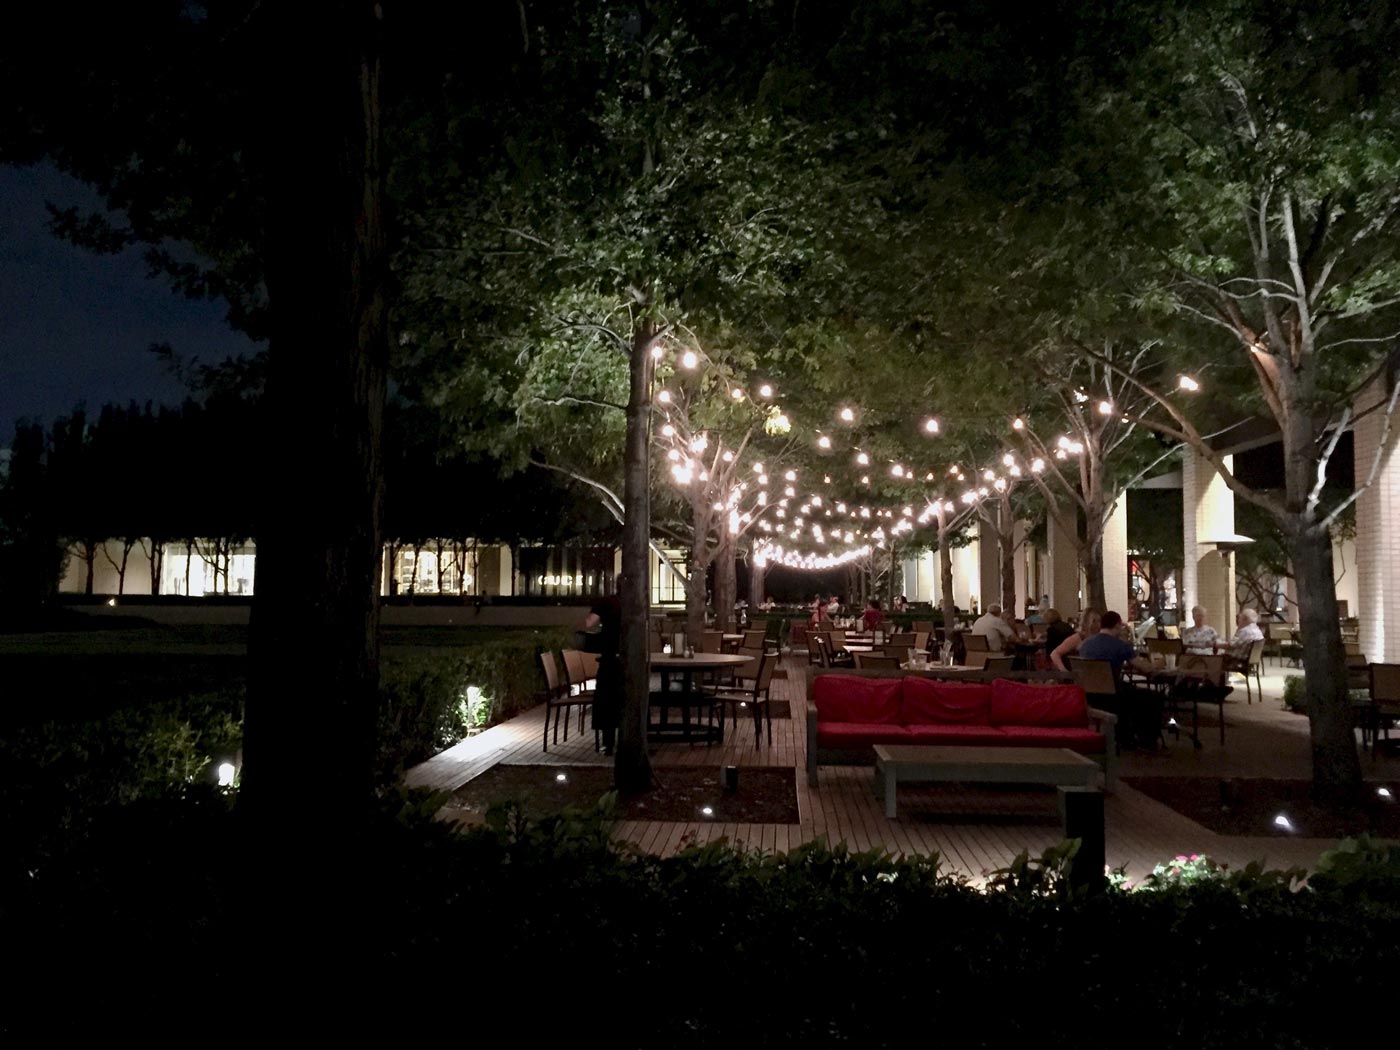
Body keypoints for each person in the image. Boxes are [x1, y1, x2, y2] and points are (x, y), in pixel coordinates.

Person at [1074, 610, 1162, 749]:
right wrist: (1155, 665)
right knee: (1150, 697)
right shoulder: (1120, 645)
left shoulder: (1085, 644)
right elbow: (1144, 668)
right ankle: (1147, 740)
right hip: (1113, 693)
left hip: (1089, 693)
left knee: (1129, 690)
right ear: (1116, 626)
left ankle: (1124, 735)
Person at [579, 593, 622, 755]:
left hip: (609, 660)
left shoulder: (607, 602)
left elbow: (589, 622)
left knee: (607, 700)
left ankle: (608, 743)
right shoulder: (636, 603)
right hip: (629, 659)